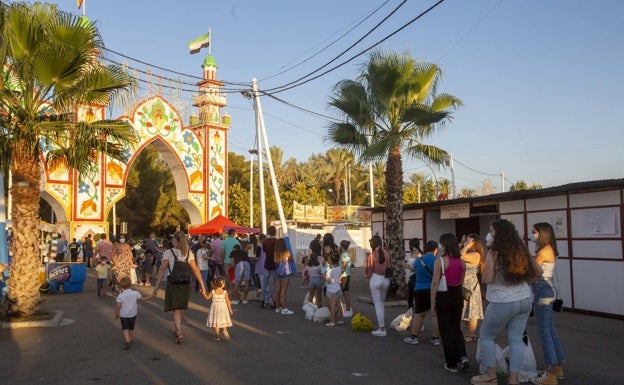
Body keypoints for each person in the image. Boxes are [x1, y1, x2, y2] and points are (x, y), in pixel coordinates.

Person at [471, 219, 540, 385]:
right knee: (516, 340)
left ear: (499, 234)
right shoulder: (522, 251)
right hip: (524, 300)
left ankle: (490, 376)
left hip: (502, 301)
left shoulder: (494, 253)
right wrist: (524, 283)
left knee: (486, 336)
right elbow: (538, 271)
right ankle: (514, 379)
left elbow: (487, 278)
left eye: (492, 231)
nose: (489, 234)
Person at [152, 231, 207, 344]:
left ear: (175, 240)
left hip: (173, 282)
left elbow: (162, 268)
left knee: (176, 308)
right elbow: (195, 269)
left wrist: (157, 285)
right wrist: (202, 284)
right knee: (181, 306)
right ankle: (178, 328)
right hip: (185, 283)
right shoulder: (188, 253)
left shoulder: (169, 252)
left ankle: (179, 331)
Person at [530, 222, 566, 385]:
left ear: (542, 234)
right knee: (550, 330)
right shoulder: (549, 249)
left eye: (535, 232)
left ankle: (550, 373)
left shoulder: (543, 251)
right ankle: (558, 366)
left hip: (542, 290)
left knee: (544, 332)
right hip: (547, 289)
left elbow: (533, 273)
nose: (532, 235)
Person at [431, 233, 469, 373]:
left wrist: (432, 301)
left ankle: (451, 363)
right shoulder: (462, 262)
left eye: (440, 243)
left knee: (445, 330)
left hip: (443, 296)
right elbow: (461, 281)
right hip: (457, 295)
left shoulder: (440, 261)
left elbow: (435, 282)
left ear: (445, 244)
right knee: (456, 328)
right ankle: (463, 356)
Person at [403, 240, 441, 346]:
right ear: (436, 249)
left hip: (419, 288)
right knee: (435, 315)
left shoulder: (419, 260)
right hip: (434, 289)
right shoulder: (437, 260)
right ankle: (435, 338)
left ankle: (414, 337)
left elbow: (414, 270)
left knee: (419, 314)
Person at [114, 276, 153, 350]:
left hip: (123, 315)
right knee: (131, 329)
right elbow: (143, 299)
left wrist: (116, 314)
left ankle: (127, 341)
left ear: (121, 286)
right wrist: (152, 296)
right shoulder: (135, 293)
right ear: (131, 284)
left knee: (125, 328)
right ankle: (130, 339)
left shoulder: (120, 295)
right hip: (133, 314)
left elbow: (118, 306)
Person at [459, 234, 485, 342]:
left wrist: (466, 245)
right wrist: (461, 243)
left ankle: (471, 334)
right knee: (464, 310)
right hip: (463, 284)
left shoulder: (476, 254)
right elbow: (455, 254)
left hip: (471, 286)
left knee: (472, 311)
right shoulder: (468, 252)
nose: (466, 242)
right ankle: (469, 332)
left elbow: (460, 255)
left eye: (469, 241)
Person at [365, 234, 391, 337]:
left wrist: (368, 276)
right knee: (382, 303)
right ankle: (382, 326)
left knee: (378, 304)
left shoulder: (372, 255)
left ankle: (382, 328)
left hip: (376, 279)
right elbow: (389, 266)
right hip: (386, 279)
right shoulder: (387, 253)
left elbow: (368, 271)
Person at [203, 276, 233, 341]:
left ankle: (217, 336)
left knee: (216, 322)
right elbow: (228, 301)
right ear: (222, 284)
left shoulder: (213, 291)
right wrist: (230, 309)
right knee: (223, 319)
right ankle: (225, 330)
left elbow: (207, 298)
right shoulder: (225, 292)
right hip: (223, 307)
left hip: (215, 308)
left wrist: (203, 294)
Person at [274, 237, 294, 315]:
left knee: (278, 289)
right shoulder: (287, 252)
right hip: (285, 273)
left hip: (277, 272)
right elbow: (292, 260)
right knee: (283, 290)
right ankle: (284, 308)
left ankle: (277, 307)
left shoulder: (276, 253)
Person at [260, 226, 278, 307]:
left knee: (265, 283)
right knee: (276, 284)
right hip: (275, 264)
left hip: (267, 263)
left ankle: (262, 299)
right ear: (275, 232)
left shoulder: (264, 242)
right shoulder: (277, 242)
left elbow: (264, 251)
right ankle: (276, 300)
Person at [325, 253, 344, 326]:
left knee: (332, 306)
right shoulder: (339, 268)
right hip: (338, 288)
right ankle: (341, 319)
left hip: (331, 289)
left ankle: (332, 321)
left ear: (331, 261)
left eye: (329, 259)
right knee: (339, 304)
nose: (328, 260)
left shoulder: (330, 271)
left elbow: (328, 280)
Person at [405, 238, 423, 311]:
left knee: (414, 296)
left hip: (416, 277)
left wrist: (407, 266)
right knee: (410, 296)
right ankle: (411, 311)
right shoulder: (412, 253)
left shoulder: (419, 255)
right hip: (411, 277)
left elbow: (418, 268)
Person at [339, 239, 353, 317]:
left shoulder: (344, 254)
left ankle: (347, 309)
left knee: (345, 293)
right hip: (346, 275)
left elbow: (343, 266)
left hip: (344, 276)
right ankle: (346, 308)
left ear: (342, 246)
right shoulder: (346, 253)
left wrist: (340, 275)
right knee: (345, 293)